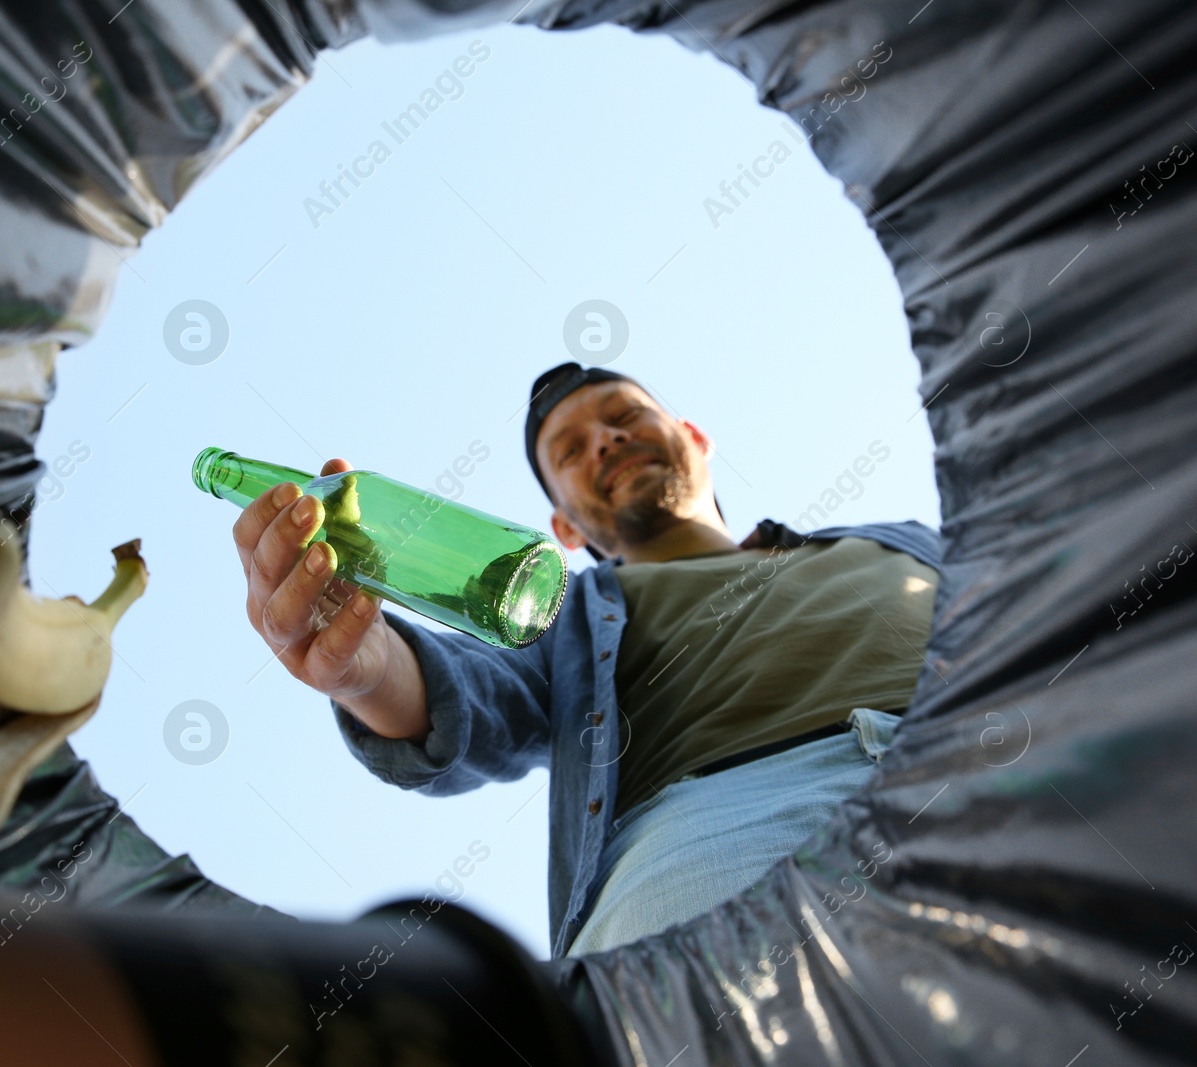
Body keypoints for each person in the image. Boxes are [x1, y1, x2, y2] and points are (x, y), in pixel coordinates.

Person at [231, 361, 942, 957]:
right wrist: (366, 660)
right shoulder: (569, 617)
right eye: (570, 450)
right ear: (564, 527)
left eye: (623, 415)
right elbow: (467, 696)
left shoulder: (895, 541)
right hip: (720, 846)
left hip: (983, 749)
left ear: (693, 437)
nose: (604, 438)